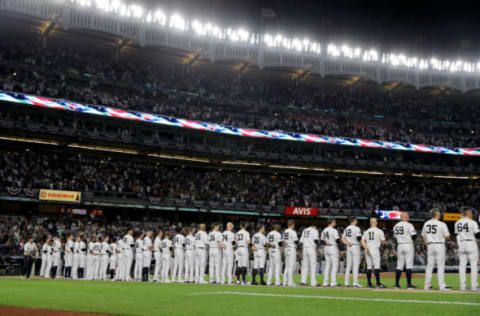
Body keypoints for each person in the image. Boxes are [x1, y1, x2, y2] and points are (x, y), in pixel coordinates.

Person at [422, 208, 451, 290]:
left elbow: (423, 235)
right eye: (439, 213)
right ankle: (442, 286)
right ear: (437, 215)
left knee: (429, 266)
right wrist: (448, 238)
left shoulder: (426, 223)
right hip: (439, 245)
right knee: (440, 266)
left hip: (430, 245)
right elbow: (447, 237)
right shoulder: (442, 224)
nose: (440, 214)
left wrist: (427, 244)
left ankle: (426, 285)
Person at [454, 207, 479, 291]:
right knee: (474, 266)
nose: (471, 213)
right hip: (471, 243)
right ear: (468, 213)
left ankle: (462, 286)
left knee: (462, 266)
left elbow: (456, 235)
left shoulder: (457, 223)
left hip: (461, 244)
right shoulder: (472, 222)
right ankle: (474, 286)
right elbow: (477, 235)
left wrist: (459, 245)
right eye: (471, 212)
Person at [393, 212, 417, 289]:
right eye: (407, 216)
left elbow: (394, 238)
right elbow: (414, 236)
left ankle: (396, 284)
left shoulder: (395, 226)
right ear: (405, 217)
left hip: (399, 245)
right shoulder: (409, 225)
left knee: (399, 265)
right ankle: (409, 284)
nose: (408, 217)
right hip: (408, 244)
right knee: (409, 265)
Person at [361, 218, 386, 288]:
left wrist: (366, 248)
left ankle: (369, 283)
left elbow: (362, 241)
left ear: (370, 223)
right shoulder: (379, 231)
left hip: (367, 249)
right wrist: (379, 242)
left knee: (369, 267)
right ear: (376, 222)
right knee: (376, 266)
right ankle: (378, 283)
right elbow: (383, 241)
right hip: (375, 249)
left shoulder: (366, 231)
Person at [342, 216, 362, 288]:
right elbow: (359, 238)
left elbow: (343, 239)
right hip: (355, 246)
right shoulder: (357, 228)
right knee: (355, 265)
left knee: (348, 266)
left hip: (349, 247)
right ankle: (355, 283)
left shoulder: (347, 228)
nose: (357, 221)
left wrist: (347, 243)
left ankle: (346, 283)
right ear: (353, 220)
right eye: (356, 220)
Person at [321, 218, 340, 287]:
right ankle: (333, 282)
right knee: (334, 265)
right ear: (331, 222)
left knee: (327, 265)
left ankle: (325, 282)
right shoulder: (334, 230)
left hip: (326, 248)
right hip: (332, 247)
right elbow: (337, 240)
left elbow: (321, 241)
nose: (335, 223)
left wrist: (326, 242)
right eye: (334, 221)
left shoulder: (324, 230)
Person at [283, 220, 298, 287]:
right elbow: (296, 241)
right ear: (292, 225)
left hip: (286, 248)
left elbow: (283, 242)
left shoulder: (285, 231)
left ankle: (284, 282)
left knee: (287, 265)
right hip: (291, 248)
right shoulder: (292, 232)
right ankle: (290, 282)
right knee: (291, 266)